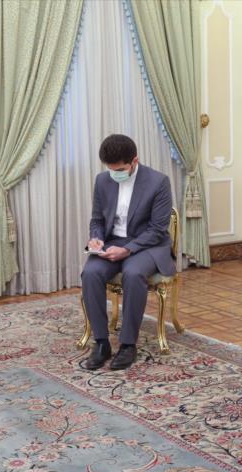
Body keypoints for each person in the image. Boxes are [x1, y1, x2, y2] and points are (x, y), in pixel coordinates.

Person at [80, 134, 175, 371]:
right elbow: (97, 219)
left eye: (120, 169)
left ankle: (128, 345)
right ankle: (101, 343)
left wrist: (127, 249)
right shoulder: (102, 180)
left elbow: (157, 229)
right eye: (111, 170)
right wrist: (97, 239)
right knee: (90, 273)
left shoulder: (158, 182)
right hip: (112, 242)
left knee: (133, 274)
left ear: (134, 161)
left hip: (147, 245)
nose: (115, 174)